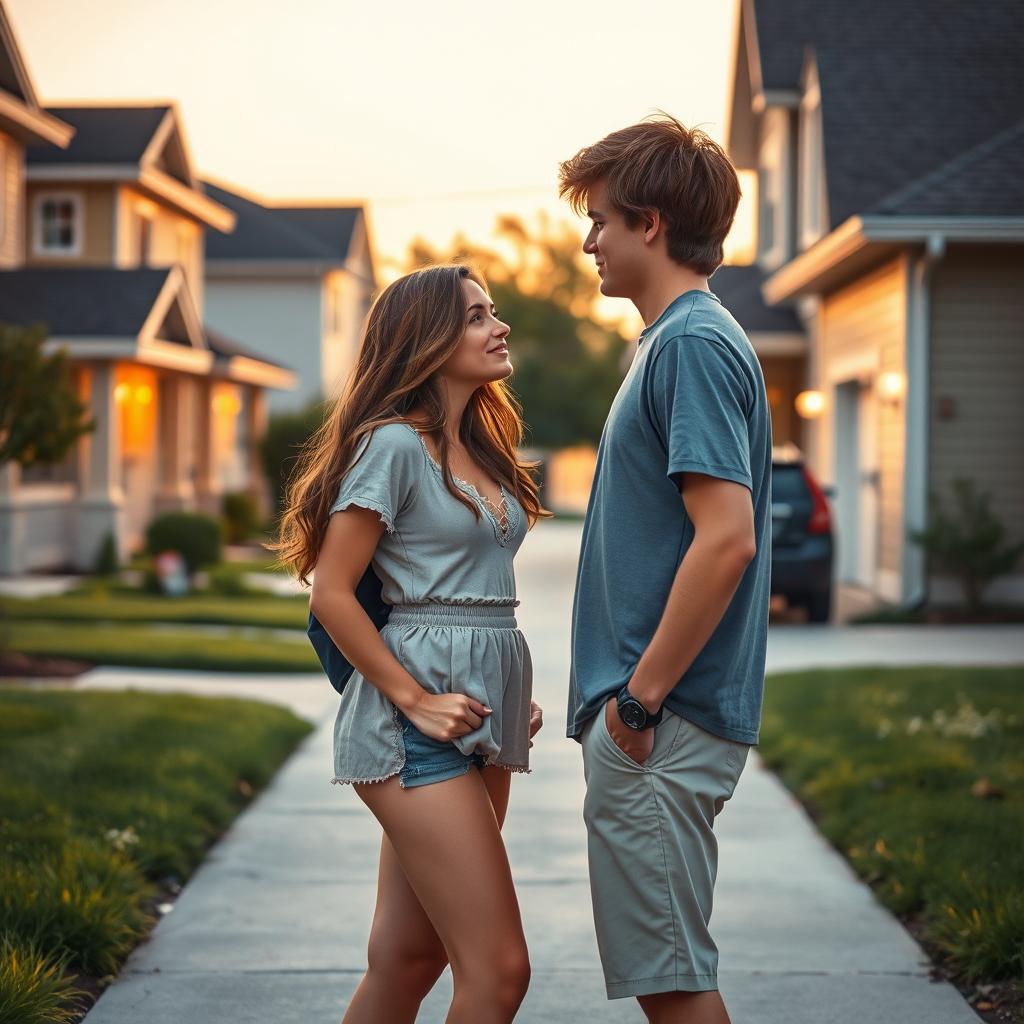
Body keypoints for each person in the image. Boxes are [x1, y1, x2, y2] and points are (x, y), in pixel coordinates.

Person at [275, 263, 547, 1024]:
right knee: (498, 973)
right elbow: (332, 590)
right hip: (411, 730)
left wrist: (506, 696)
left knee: (407, 960)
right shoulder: (394, 446)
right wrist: (417, 700)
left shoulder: (482, 448)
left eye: (492, 310)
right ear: (426, 339)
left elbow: (481, 597)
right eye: (474, 316)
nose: (498, 327)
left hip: (480, 719)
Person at [558, 115, 773, 1024]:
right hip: (661, 720)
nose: (587, 239)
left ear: (650, 223)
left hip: (662, 721)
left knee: (674, 987)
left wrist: (638, 705)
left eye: (601, 219)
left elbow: (727, 537)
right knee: (670, 976)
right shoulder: (674, 342)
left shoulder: (687, 345)